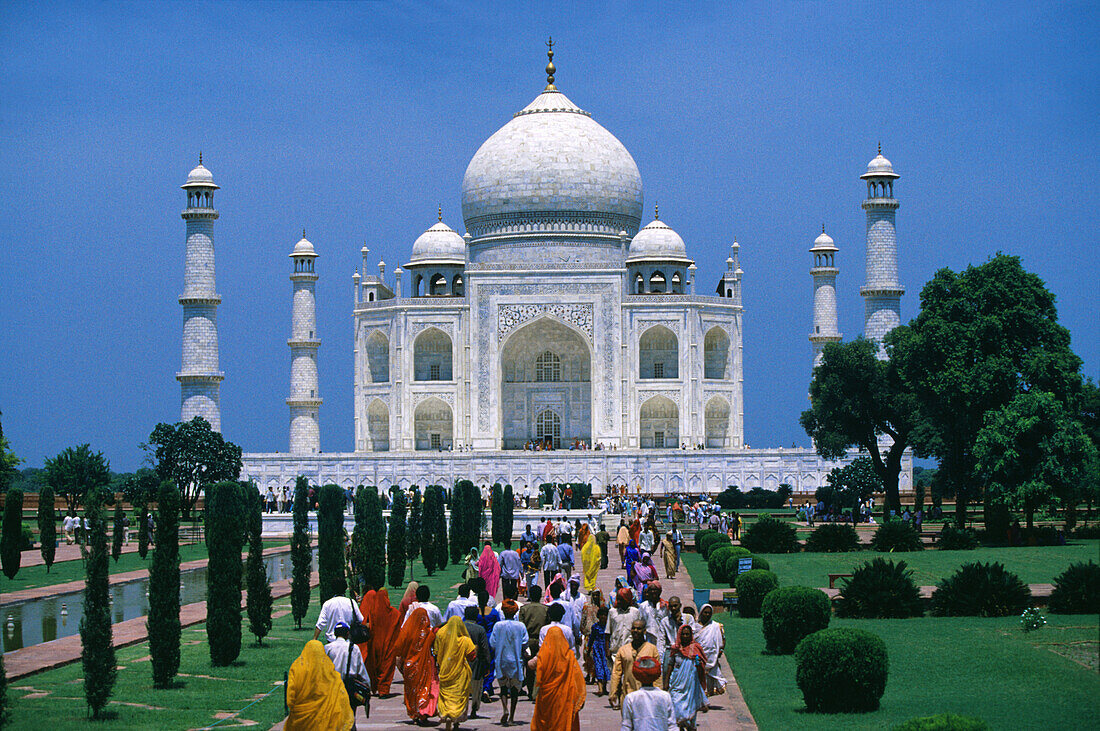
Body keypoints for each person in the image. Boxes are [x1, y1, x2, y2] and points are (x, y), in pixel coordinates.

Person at [284, 640, 354, 731]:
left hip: (301, 723)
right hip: (327, 722)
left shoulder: (297, 668)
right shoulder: (331, 672)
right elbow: (342, 697)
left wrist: (297, 709)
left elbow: (290, 698)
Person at [529, 626, 585, 731]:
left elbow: (530, 665)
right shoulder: (569, 656)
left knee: (547, 721)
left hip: (546, 697)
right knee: (562, 720)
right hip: (564, 697)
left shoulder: (543, 655)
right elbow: (578, 677)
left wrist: (538, 656)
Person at [393, 607, 439, 722]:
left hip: (410, 666)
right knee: (424, 688)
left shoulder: (407, 632)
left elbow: (398, 648)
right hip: (424, 665)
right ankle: (422, 711)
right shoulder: (429, 633)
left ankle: (414, 713)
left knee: (411, 690)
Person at [433, 615, 477, 731]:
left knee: (446, 695)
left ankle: (447, 714)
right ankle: (456, 720)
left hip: (445, 670)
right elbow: (472, 656)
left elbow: (436, 652)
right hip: (460, 673)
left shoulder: (441, 635)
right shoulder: (465, 640)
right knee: (458, 696)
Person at [489, 599, 527, 726]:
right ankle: (511, 717)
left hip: (501, 660)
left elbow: (492, 643)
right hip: (516, 660)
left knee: (503, 687)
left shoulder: (498, 626)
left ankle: (504, 708)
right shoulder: (520, 626)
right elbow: (524, 642)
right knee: (515, 690)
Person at [609, 619, 662, 709]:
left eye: (639, 628)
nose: (636, 631)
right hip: (628, 693)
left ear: (644, 631)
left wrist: (659, 692)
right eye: (633, 628)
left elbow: (658, 673)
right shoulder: (623, 650)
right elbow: (616, 673)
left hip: (647, 696)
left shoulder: (652, 649)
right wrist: (613, 692)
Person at [663, 625, 707, 730]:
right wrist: (666, 681)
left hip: (690, 683)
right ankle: (681, 725)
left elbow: (703, 664)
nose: (685, 636)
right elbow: (670, 665)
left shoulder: (696, 648)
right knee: (676, 704)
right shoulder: (676, 649)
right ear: (679, 635)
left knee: (689, 706)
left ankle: (690, 726)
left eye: (687, 634)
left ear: (691, 635)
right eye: (683, 634)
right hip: (677, 682)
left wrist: (699, 664)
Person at [359, 588, 401, 695]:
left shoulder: (372, 613)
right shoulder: (395, 613)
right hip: (388, 644)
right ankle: (384, 690)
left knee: (374, 665)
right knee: (387, 665)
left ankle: (375, 686)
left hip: (374, 644)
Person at [324, 621, 370, 715]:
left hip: (332, 687)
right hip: (349, 687)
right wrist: (367, 685)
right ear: (347, 634)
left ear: (335, 634)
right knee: (350, 716)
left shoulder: (327, 648)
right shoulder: (354, 648)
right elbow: (360, 669)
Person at [621, 656, 676, 731]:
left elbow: (626, 726)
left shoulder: (631, 698)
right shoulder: (665, 696)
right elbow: (672, 725)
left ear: (637, 675)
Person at [517, 584, 549, 699]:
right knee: (540, 666)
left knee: (529, 667)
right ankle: (538, 690)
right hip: (541, 640)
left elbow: (521, 626)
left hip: (528, 640)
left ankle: (531, 691)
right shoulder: (545, 609)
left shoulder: (524, 609)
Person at [462, 605, 491, 720]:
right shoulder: (480, 629)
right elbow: (485, 648)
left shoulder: (461, 627)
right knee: (477, 687)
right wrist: (487, 664)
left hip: (463, 661)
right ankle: (474, 709)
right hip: (476, 662)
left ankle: (463, 708)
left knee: (463, 687)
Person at [474, 590, 501, 700]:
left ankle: (478, 687)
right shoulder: (493, 612)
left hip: (477, 640)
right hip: (489, 639)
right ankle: (487, 687)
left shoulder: (475, 612)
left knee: (478, 664)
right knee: (490, 663)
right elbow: (497, 626)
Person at [693, 605, 726, 697]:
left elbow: (722, 640)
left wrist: (720, 651)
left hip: (711, 658)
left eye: (709, 613)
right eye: (705, 612)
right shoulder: (694, 627)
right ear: (701, 613)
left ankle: (704, 699)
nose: (707, 615)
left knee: (708, 680)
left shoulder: (715, 626)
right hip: (698, 658)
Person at [639, 582, 669, 656]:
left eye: (655, 590)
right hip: (648, 638)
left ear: (660, 591)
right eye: (651, 590)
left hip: (662, 638)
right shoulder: (643, 606)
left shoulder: (665, 606)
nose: (653, 592)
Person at [609, 586, 641, 656]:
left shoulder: (635, 612)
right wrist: (607, 650)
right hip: (615, 650)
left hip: (631, 649)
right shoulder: (612, 612)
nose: (619, 602)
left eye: (622, 599)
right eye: (618, 599)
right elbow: (607, 632)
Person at [589, 605, 611, 696]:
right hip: (597, 648)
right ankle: (600, 688)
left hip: (606, 648)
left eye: (605, 615)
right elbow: (591, 638)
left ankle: (605, 687)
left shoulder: (609, 627)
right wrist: (588, 647)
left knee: (606, 667)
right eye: (601, 615)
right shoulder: (595, 627)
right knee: (598, 666)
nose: (603, 617)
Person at [580, 527, 601, 592]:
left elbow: (582, 554)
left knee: (587, 575)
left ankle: (588, 587)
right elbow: (599, 556)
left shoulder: (585, 547)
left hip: (587, 565)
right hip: (594, 564)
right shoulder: (597, 547)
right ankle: (592, 586)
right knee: (593, 575)